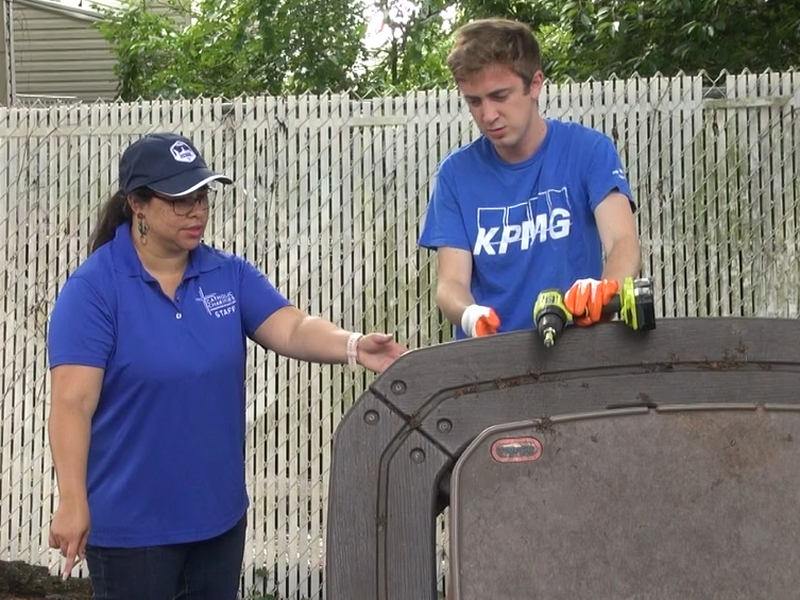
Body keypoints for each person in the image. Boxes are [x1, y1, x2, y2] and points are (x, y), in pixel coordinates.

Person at [45, 131, 407, 600]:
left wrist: (355, 346)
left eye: (202, 196)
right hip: (134, 532)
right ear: (137, 203)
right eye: (179, 200)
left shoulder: (226, 273)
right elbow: (72, 403)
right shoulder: (94, 290)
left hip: (218, 522)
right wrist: (72, 499)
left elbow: (292, 327)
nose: (196, 211)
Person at [418, 18, 642, 340]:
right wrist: (470, 315)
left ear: (535, 84)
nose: (488, 115)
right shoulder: (455, 174)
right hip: (489, 355)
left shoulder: (589, 151)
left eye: (500, 96)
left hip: (577, 350)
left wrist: (604, 291)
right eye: (474, 101)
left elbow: (623, 243)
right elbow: (451, 283)